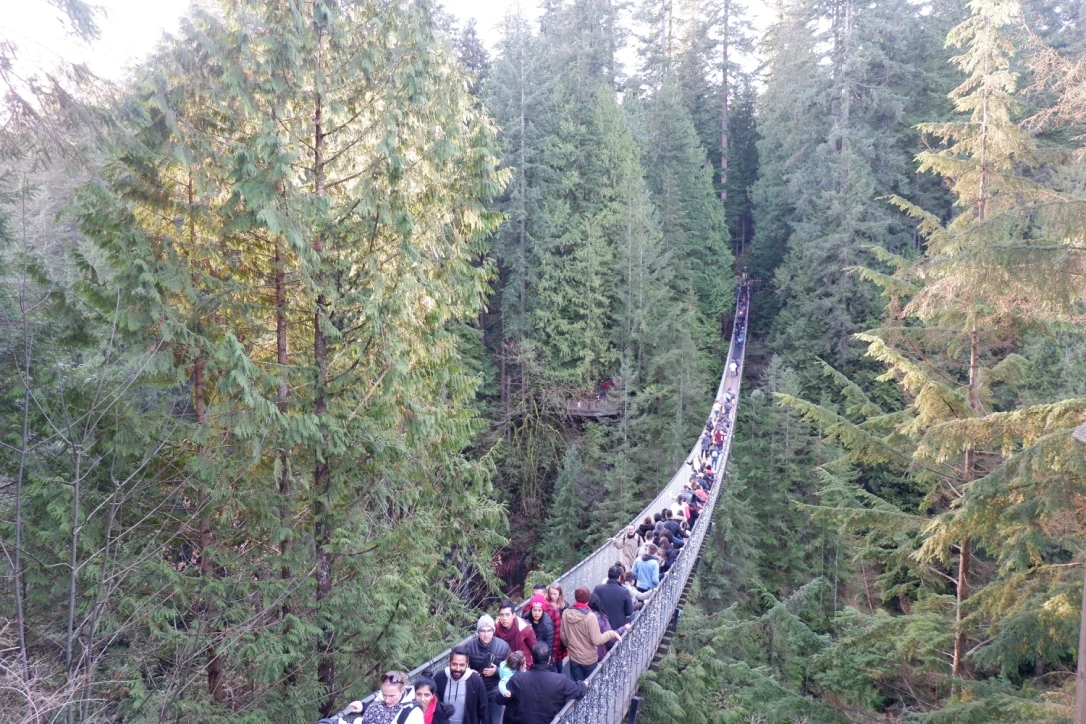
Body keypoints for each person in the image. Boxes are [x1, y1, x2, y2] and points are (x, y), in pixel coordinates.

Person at [505, 642, 587, 724]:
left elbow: (501, 699)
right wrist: (585, 684)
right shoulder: (560, 680)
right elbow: (579, 690)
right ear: (549, 659)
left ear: (532, 658)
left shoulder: (518, 679)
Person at [561, 587, 620, 682]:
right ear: (588, 600)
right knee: (591, 685)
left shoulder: (566, 613)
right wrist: (611, 633)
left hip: (574, 657)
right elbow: (596, 640)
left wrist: (570, 646)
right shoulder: (590, 617)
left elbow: (563, 636)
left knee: (578, 686)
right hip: (589, 659)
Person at [465, 615, 511, 724]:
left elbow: (512, 671)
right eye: (482, 631)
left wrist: (497, 672)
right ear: (478, 632)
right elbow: (462, 667)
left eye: (489, 630)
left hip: (494, 691)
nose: (486, 634)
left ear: (493, 631)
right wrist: (469, 672)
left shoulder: (503, 646)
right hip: (475, 691)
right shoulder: (469, 647)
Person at [434, 647, 489, 724]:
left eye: (462, 665)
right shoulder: (440, 678)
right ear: (449, 662)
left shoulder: (476, 681)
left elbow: (483, 708)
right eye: (454, 664)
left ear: (467, 664)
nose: (458, 669)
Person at [495, 600, 537, 667]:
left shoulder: (524, 628)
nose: (504, 618)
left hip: (523, 665)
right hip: (505, 664)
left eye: (507, 615)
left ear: (514, 615)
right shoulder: (496, 627)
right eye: (501, 615)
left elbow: (534, 648)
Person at [592, 564, 634, 632]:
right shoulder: (624, 591)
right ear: (620, 577)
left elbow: (592, 606)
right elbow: (629, 613)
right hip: (619, 630)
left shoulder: (597, 589)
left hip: (600, 628)